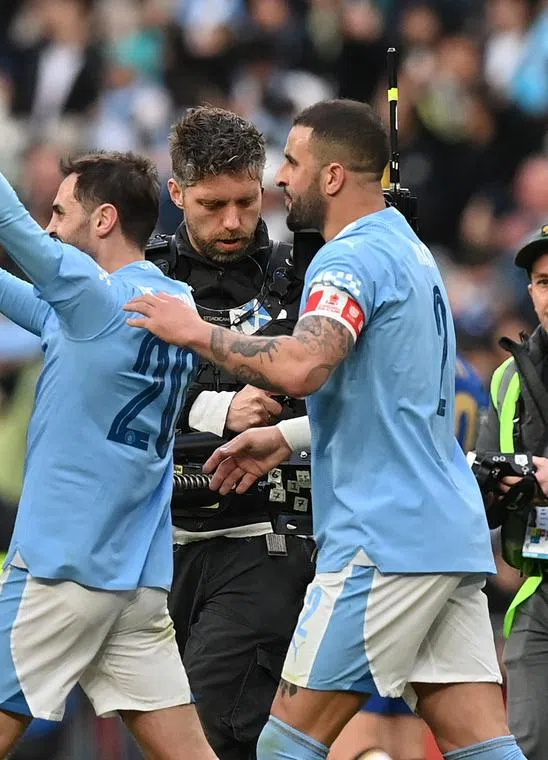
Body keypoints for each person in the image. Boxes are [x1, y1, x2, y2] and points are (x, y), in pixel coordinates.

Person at [122, 98, 523, 760]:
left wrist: (197, 330)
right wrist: (287, 438)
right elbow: (395, 402)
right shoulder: (411, 252)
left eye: (292, 162)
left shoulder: (346, 261)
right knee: (481, 745)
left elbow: (306, 365)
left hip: (380, 541)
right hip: (444, 536)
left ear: (332, 177)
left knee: (283, 746)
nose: (282, 179)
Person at [0, 25, 216, 760]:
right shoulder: (167, 307)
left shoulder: (96, 299)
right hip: (134, 577)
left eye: (60, 214)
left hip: (60, 568)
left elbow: (6, 223)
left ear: (104, 221)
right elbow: (19, 295)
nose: (48, 225)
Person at [142, 104, 316, 760]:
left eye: (247, 201)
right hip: (158, 550)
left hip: (265, 544)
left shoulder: (306, 279)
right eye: (214, 205)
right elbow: (117, 394)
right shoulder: (142, 277)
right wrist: (218, 407)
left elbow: (315, 391)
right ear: (177, 192)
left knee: (213, 732)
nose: (235, 221)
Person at [331, 354, 489, 760]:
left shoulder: (397, 366)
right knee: (418, 726)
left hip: (393, 529)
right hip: (453, 520)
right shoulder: (467, 374)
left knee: (338, 726)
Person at [473, 225, 548, 759]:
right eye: (544, 282)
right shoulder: (506, 379)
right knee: (525, 742)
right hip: (539, 589)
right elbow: (476, 492)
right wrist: (492, 486)